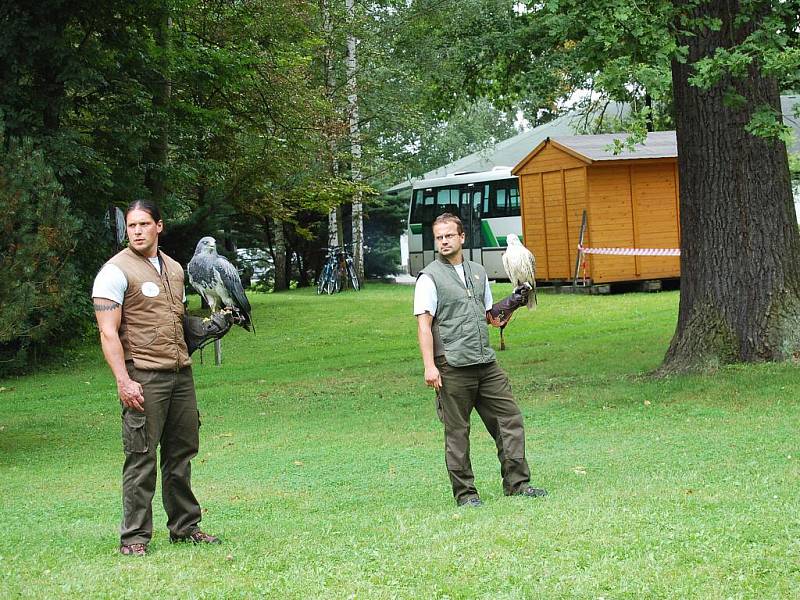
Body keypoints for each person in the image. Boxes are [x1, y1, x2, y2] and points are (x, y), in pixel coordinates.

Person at [93, 200, 221, 556]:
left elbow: (175, 324)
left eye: (143, 224)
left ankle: (185, 527)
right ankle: (134, 538)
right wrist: (123, 380)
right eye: (131, 226)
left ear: (158, 227)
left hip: (180, 375)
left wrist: (208, 328)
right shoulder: (114, 271)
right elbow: (108, 333)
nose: (136, 231)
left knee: (181, 454)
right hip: (143, 376)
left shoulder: (176, 269)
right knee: (141, 457)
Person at [414, 213, 547, 507]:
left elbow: (489, 317)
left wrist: (513, 301)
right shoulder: (428, 277)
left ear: (462, 237)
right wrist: (429, 366)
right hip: (451, 365)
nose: (444, 241)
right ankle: (466, 495)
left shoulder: (478, 272)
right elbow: (424, 325)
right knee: (457, 431)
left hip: (485, 363)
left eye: (449, 235)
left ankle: (517, 484)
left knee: (509, 419)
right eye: (439, 237)